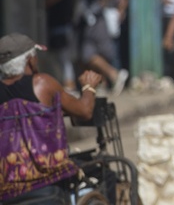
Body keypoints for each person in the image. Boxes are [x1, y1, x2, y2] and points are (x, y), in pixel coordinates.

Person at [0, 33, 104, 201]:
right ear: (30, 61)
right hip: (48, 180)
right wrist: (89, 87)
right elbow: (85, 111)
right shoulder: (42, 83)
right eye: (35, 56)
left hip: (7, 189)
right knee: (106, 174)